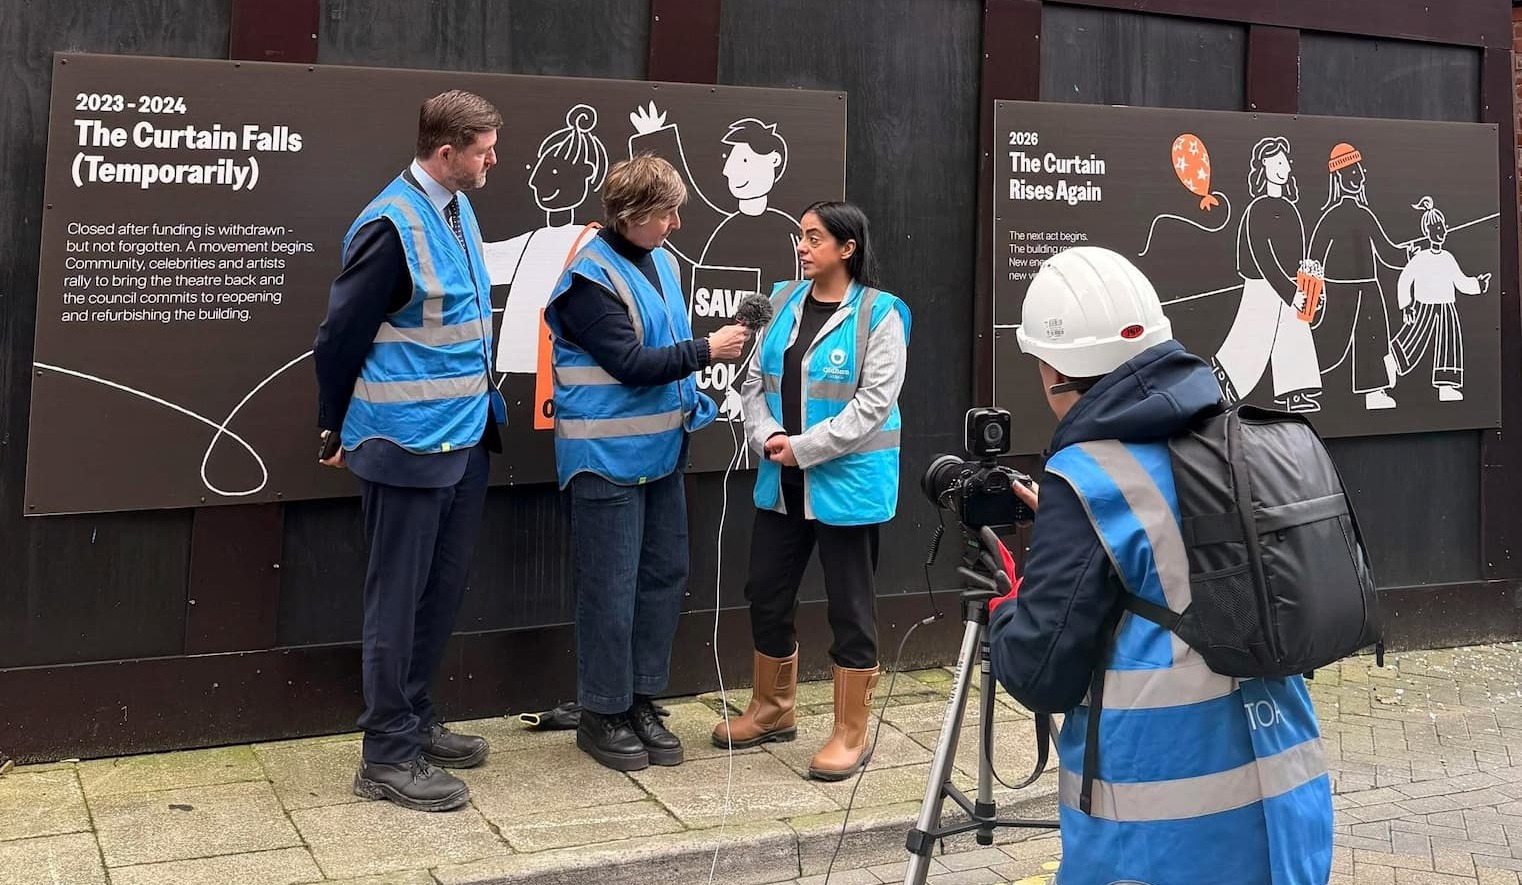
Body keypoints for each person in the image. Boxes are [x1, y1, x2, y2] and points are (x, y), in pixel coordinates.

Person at [988, 247, 1333, 884]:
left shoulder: (1086, 477)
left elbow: (1040, 673)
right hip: (1287, 795)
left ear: (1052, 369)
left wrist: (1005, 608)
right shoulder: (1236, 440)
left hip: (1164, 825)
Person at [313, 90, 505, 812]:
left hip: (463, 439)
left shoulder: (456, 204)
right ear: (446, 150)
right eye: (484, 148)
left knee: (440, 591)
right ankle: (386, 754)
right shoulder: (390, 224)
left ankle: (416, 720)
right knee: (395, 600)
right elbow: (339, 336)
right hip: (407, 444)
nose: (494, 158)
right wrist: (334, 424)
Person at [544, 154, 749, 772]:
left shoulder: (657, 260)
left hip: (661, 453)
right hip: (603, 460)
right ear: (631, 215)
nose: (676, 225)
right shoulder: (587, 282)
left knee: (661, 578)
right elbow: (631, 363)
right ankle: (601, 713)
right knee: (609, 588)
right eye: (666, 214)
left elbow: (657, 348)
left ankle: (638, 700)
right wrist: (706, 350)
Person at [712, 201, 911, 782]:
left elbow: (873, 406)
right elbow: (752, 382)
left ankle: (850, 731)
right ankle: (772, 709)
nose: (802, 247)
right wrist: (768, 433)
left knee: (851, 607)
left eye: (815, 238)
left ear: (847, 248)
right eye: (800, 236)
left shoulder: (881, 315)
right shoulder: (780, 303)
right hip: (782, 482)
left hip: (846, 486)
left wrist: (806, 447)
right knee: (765, 591)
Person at [1211, 136, 1321, 412]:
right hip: (1262, 285)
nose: (1283, 168)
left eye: (1285, 162)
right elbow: (1263, 258)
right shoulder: (1257, 209)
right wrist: (1289, 292)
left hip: (1292, 283)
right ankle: (1224, 383)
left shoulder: (1291, 210)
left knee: (1294, 334)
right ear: (1264, 168)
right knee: (1253, 336)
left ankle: (1295, 391)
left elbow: (1298, 252)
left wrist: (1307, 282)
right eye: (1277, 163)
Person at [1308, 143, 1413, 410]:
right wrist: (1309, 300)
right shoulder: (1330, 218)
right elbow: (1313, 259)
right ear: (1340, 178)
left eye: (1360, 171)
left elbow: (1387, 252)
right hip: (1340, 290)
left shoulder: (1364, 215)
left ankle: (1373, 391)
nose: (1361, 177)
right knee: (1329, 341)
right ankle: (1303, 377)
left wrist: (1410, 254)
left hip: (1368, 289)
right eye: (1354, 172)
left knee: (1374, 338)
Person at [1391, 196, 1491, 402]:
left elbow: (1461, 281)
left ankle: (1446, 385)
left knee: (1449, 342)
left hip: (1446, 306)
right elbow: (1404, 280)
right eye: (1436, 228)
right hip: (1424, 306)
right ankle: (1392, 363)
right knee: (1412, 340)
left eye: (1442, 227)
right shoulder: (1420, 258)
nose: (1441, 231)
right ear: (1428, 232)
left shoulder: (1448, 258)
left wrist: (1479, 284)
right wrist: (1407, 306)